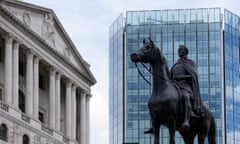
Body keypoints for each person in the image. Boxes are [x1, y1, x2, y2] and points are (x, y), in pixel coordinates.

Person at [144, 45, 203, 133]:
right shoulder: (175, 65)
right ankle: (154, 125)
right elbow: (170, 77)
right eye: (179, 50)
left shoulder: (190, 63)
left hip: (185, 87)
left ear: (185, 52)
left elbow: (193, 76)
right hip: (175, 86)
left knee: (185, 97)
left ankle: (186, 120)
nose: (180, 52)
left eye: (181, 50)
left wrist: (181, 77)